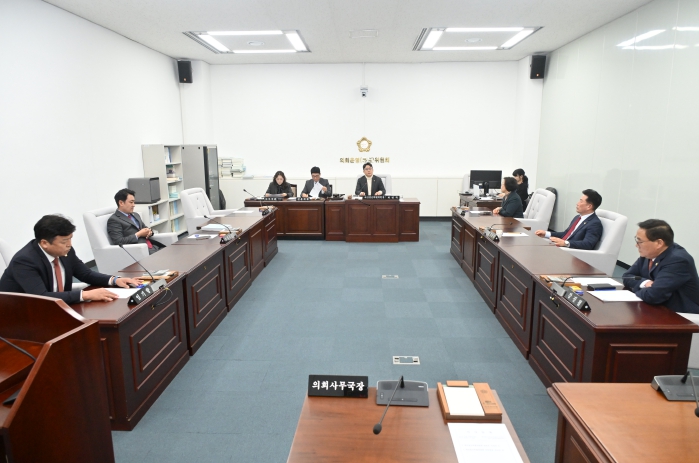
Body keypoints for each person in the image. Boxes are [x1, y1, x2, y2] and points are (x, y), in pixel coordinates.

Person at [0, 214, 142, 304]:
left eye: (70, 239)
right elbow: (42, 297)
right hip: (22, 315)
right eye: (64, 241)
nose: (69, 244)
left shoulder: (66, 251)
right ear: (44, 243)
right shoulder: (25, 261)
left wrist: (114, 280)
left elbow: (85, 274)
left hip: (60, 307)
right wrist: (85, 295)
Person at [623, 220, 699, 314]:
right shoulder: (649, 254)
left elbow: (653, 296)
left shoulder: (678, 260)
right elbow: (627, 277)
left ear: (659, 243)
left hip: (679, 315)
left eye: (640, 241)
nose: (636, 245)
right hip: (656, 307)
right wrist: (645, 283)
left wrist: (637, 289)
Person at [535, 189, 603, 249]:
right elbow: (566, 234)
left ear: (589, 206)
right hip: (561, 248)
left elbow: (588, 244)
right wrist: (546, 234)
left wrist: (566, 243)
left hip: (571, 253)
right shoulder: (577, 217)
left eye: (581, 201)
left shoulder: (594, 223)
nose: (577, 203)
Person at [107, 188, 165, 255]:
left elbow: (145, 228)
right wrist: (138, 234)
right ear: (121, 203)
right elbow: (118, 241)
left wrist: (149, 232)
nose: (134, 205)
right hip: (140, 250)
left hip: (153, 246)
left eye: (134, 202)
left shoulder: (136, 215)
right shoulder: (114, 220)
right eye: (131, 202)